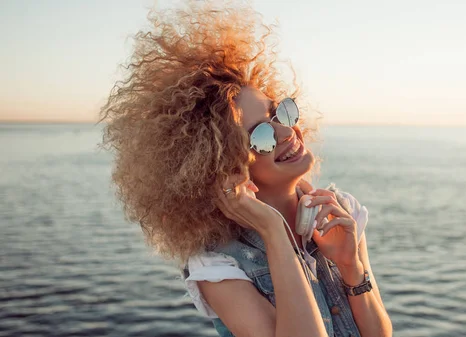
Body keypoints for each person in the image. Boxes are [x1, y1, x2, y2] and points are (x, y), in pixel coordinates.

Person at [99, 1, 392, 336]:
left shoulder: (340, 212)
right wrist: (273, 232)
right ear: (220, 162)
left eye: (279, 113)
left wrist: (350, 266)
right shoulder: (219, 265)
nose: (286, 132)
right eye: (262, 134)